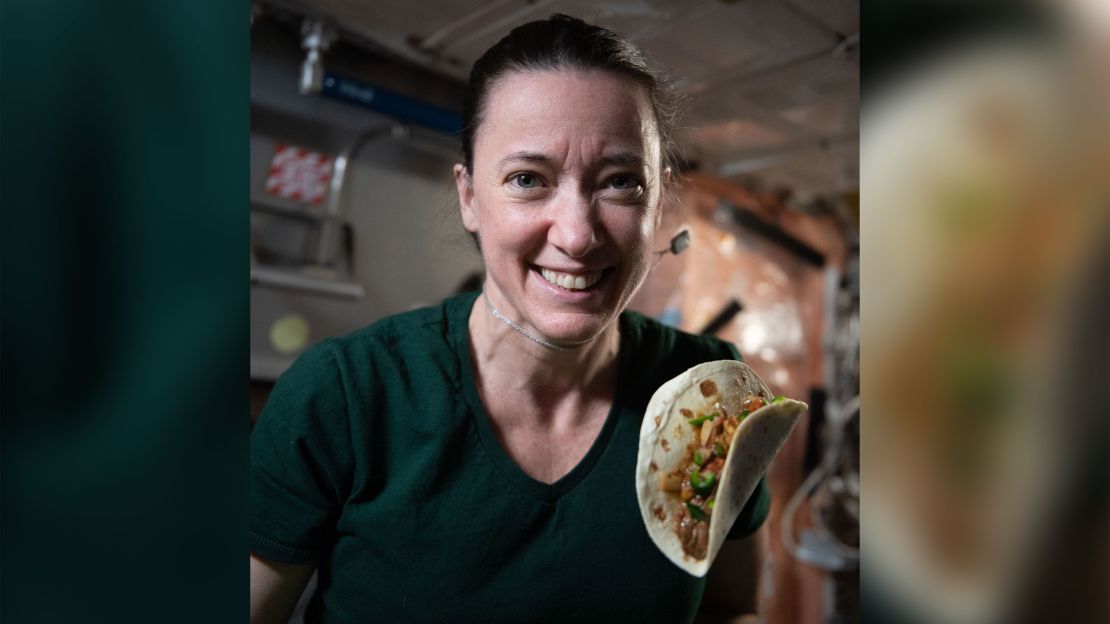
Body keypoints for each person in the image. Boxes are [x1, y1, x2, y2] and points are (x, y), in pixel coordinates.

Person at [250, 14, 771, 624]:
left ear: (658, 202)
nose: (577, 235)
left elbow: (732, 610)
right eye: (528, 179)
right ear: (470, 197)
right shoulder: (343, 396)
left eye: (621, 182)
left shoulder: (711, 395)